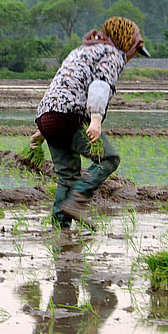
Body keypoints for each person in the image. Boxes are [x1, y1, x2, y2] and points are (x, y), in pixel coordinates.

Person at [33, 16, 150, 227]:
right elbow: (100, 85)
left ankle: (61, 231)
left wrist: (44, 129)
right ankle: (76, 202)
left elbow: (62, 86)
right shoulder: (112, 54)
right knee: (109, 159)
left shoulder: (80, 51)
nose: (133, 55)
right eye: (135, 48)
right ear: (125, 41)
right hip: (69, 116)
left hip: (48, 115)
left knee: (67, 177)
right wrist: (96, 119)